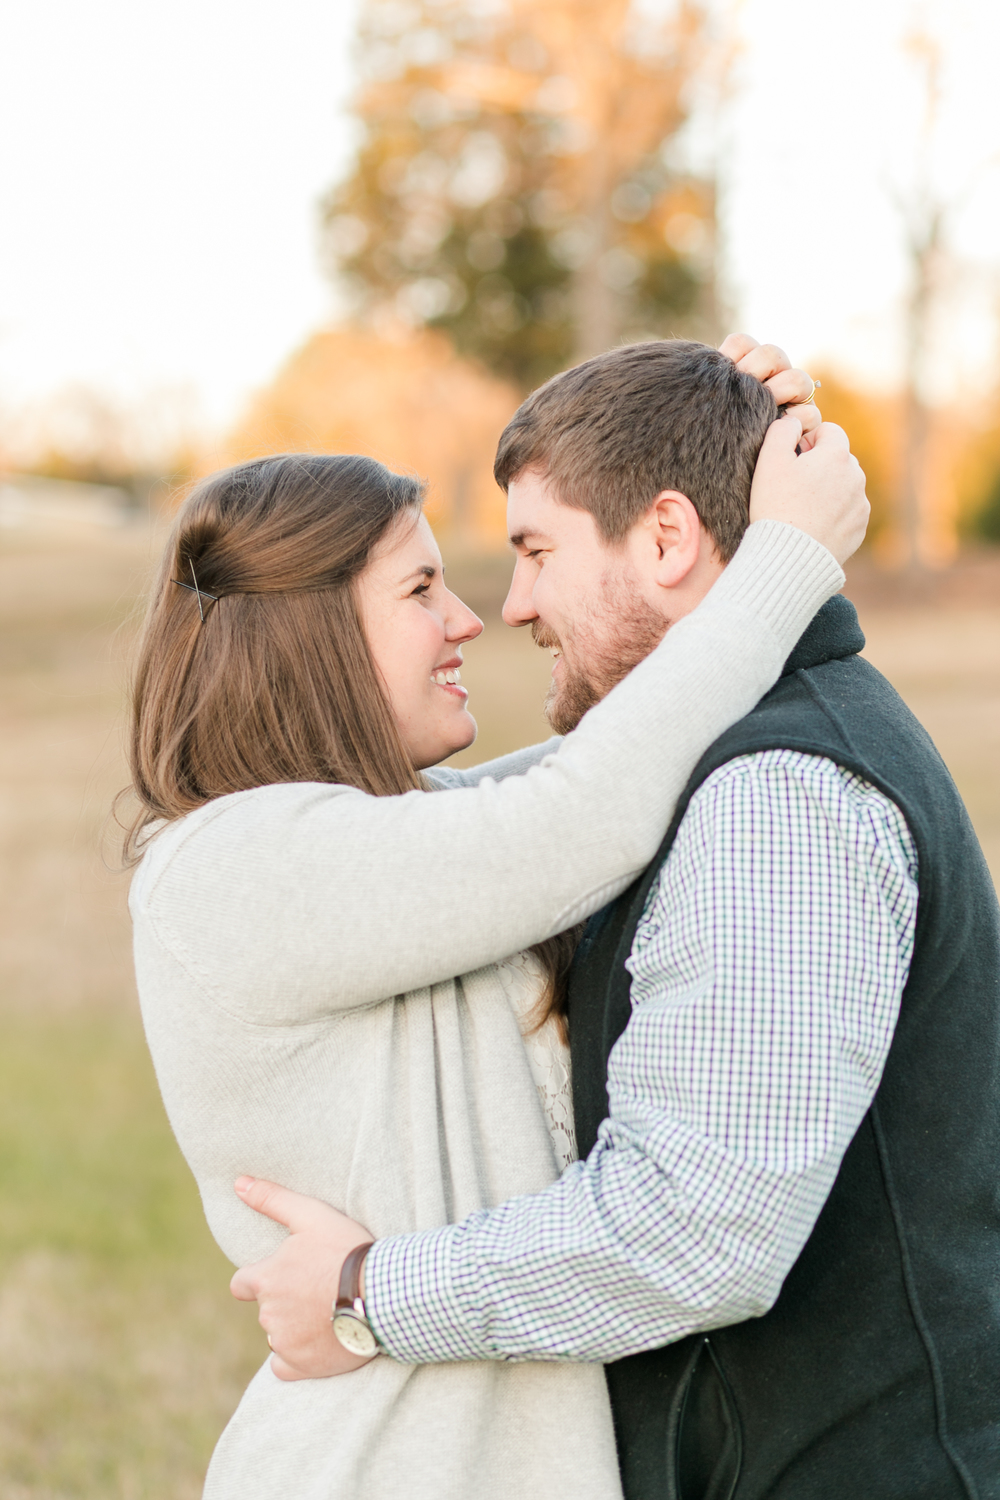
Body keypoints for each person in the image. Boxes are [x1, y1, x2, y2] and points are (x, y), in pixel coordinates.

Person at [237, 338, 1000, 1500]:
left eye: (537, 549)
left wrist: (365, 1291)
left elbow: (699, 1228)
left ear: (665, 538)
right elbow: (518, 816)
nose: (514, 604)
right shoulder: (710, 759)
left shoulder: (778, 798)